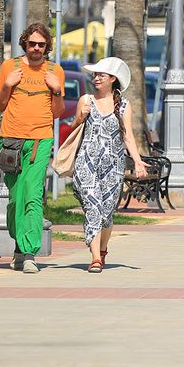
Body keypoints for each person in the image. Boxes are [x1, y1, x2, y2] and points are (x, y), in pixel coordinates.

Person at [0, 23, 65, 274]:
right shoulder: (9, 67)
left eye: (41, 45)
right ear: (25, 43)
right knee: (15, 199)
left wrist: (56, 90)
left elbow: (58, 113)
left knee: (33, 195)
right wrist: (7, 86)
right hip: (11, 140)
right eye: (32, 43)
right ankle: (18, 247)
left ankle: (29, 253)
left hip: (40, 141)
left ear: (47, 47)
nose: (36, 48)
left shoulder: (55, 71)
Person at [68, 58, 147, 273]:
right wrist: (80, 117)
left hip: (113, 165)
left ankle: (102, 250)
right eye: (95, 75)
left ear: (113, 79)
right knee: (93, 208)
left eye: (101, 75)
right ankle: (94, 258)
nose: (97, 78)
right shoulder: (86, 100)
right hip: (87, 163)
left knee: (106, 213)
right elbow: (73, 127)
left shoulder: (123, 106)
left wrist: (138, 162)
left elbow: (128, 136)